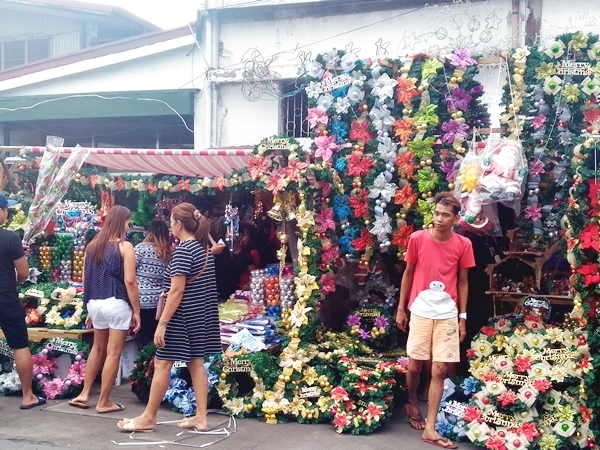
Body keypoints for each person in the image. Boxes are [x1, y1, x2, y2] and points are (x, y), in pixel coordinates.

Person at [118, 203, 220, 432]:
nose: (170, 227)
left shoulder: (184, 250)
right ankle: (201, 419)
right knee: (196, 365)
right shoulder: (204, 250)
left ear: (179, 224)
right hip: (198, 316)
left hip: (180, 317)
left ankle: (148, 418)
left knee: (162, 363)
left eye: (172, 222)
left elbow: (176, 291)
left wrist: (162, 323)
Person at [396, 192, 475, 449]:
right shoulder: (418, 239)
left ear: (455, 218)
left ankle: (430, 428)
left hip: (448, 314)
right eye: (436, 213)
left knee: (439, 369)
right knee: (416, 366)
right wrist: (401, 309)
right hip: (419, 310)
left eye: (445, 215)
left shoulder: (463, 244)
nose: (439, 219)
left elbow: (463, 282)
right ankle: (413, 403)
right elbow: (407, 274)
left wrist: (462, 318)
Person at [69, 205, 141, 413]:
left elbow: (85, 279)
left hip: (95, 303)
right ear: (121, 222)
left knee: (97, 348)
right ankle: (104, 402)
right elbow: (130, 281)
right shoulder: (125, 247)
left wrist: (88, 309)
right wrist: (136, 310)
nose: (129, 225)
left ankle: (84, 393)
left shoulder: (92, 246)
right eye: (128, 222)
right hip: (117, 302)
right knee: (113, 352)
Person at [0, 193, 45, 409]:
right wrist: (15, 280)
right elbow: (24, 273)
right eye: (6, 209)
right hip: (6, 298)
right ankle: (28, 396)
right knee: (19, 345)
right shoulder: (10, 238)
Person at [134, 220, 172, 347]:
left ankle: (143, 363)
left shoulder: (141, 248)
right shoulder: (167, 253)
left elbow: (128, 270)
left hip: (141, 300)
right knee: (156, 338)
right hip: (159, 303)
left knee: (143, 338)